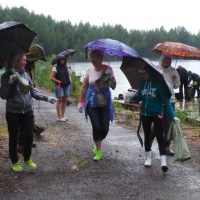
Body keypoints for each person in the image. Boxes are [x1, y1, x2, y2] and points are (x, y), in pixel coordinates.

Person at [0, 52, 57, 172]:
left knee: (30, 136)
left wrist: (47, 98)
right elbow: (3, 96)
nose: (25, 62)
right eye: (23, 60)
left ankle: (27, 158)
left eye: (26, 60)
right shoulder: (5, 76)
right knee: (14, 138)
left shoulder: (25, 74)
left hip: (27, 110)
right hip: (13, 112)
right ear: (16, 61)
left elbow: (33, 92)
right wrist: (10, 84)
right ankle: (14, 162)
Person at [134, 67, 179, 172]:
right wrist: (137, 96)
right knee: (147, 135)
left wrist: (173, 116)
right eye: (142, 74)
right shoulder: (142, 84)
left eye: (145, 74)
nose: (143, 76)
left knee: (160, 136)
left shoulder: (159, 85)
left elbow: (167, 102)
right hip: (145, 114)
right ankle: (148, 158)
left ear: (150, 73)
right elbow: (139, 97)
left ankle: (163, 161)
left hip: (158, 114)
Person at [78, 49, 116, 161]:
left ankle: (97, 142)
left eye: (94, 57)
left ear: (101, 58)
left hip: (105, 102)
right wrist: (80, 101)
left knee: (105, 128)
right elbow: (84, 87)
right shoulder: (89, 70)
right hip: (91, 101)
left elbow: (114, 86)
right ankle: (99, 151)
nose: (92, 59)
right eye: (91, 57)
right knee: (96, 126)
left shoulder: (108, 69)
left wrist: (109, 78)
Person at [17, 45, 47, 154]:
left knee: (29, 120)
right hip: (20, 99)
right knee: (21, 122)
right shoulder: (21, 64)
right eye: (37, 58)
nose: (38, 60)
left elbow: (30, 80)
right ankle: (20, 145)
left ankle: (27, 141)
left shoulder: (31, 65)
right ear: (33, 56)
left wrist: (33, 86)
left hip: (28, 97)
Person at [156, 52, 180, 156]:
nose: (166, 61)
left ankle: (167, 147)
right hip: (159, 101)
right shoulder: (157, 70)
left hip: (171, 101)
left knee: (169, 124)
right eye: (165, 59)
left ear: (171, 61)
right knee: (158, 124)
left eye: (169, 59)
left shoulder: (174, 71)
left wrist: (175, 80)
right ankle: (158, 145)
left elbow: (176, 86)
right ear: (161, 59)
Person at [50, 54, 71, 122]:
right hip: (59, 85)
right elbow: (51, 78)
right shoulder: (55, 68)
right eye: (61, 60)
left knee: (64, 100)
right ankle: (59, 117)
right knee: (60, 100)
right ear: (59, 61)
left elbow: (68, 75)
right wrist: (58, 81)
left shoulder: (66, 67)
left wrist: (68, 77)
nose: (62, 61)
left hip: (67, 85)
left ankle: (63, 115)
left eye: (63, 60)